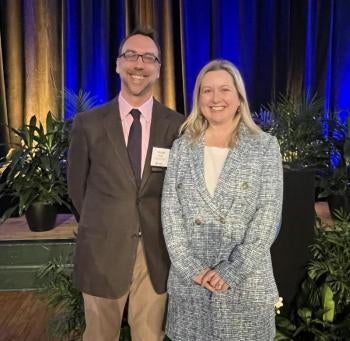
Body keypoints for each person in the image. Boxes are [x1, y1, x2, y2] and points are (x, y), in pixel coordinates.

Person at [67, 28, 184, 341]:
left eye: (148, 58)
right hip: (102, 251)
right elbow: (76, 189)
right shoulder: (88, 124)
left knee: (149, 336)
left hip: (154, 254)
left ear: (158, 69)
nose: (139, 64)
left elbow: (178, 190)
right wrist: (107, 223)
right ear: (118, 65)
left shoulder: (176, 126)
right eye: (131, 55)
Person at [161, 59, 283, 340]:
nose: (216, 98)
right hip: (192, 285)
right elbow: (170, 214)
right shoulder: (181, 148)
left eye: (225, 90)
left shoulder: (265, 147)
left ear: (239, 98)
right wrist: (193, 268)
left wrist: (231, 271)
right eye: (207, 90)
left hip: (246, 285)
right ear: (198, 98)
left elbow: (268, 218)